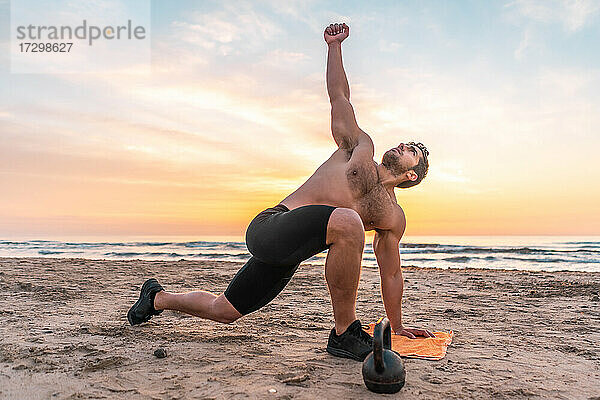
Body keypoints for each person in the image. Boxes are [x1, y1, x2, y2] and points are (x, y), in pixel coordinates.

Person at [127, 22, 434, 362]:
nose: (403, 144)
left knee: (226, 310)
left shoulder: (392, 217)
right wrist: (334, 47)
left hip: (293, 250)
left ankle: (156, 298)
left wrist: (398, 324)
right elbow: (339, 97)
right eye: (407, 143)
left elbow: (391, 272)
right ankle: (344, 332)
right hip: (272, 226)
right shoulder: (359, 147)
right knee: (348, 221)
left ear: (410, 174)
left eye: (413, 150)